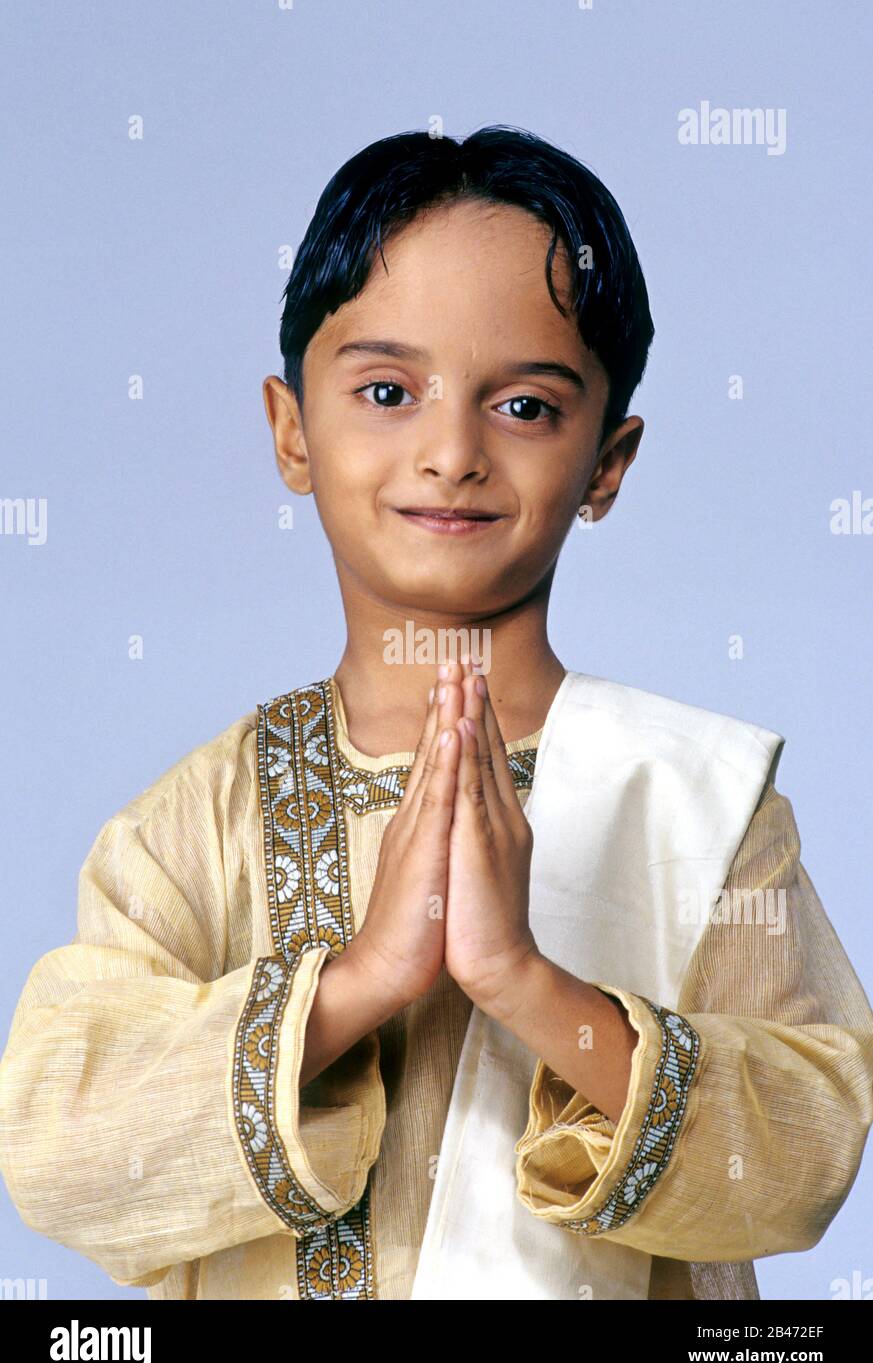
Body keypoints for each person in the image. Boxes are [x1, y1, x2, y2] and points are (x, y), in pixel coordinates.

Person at [1, 126, 871, 1301]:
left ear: (609, 463)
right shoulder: (198, 823)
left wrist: (527, 983)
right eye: (387, 391)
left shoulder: (701, 808)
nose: (452, 451)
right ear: (291, 429)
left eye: (522, 406)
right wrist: (355, 985)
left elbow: (806, 1150)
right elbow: (58, 1141)